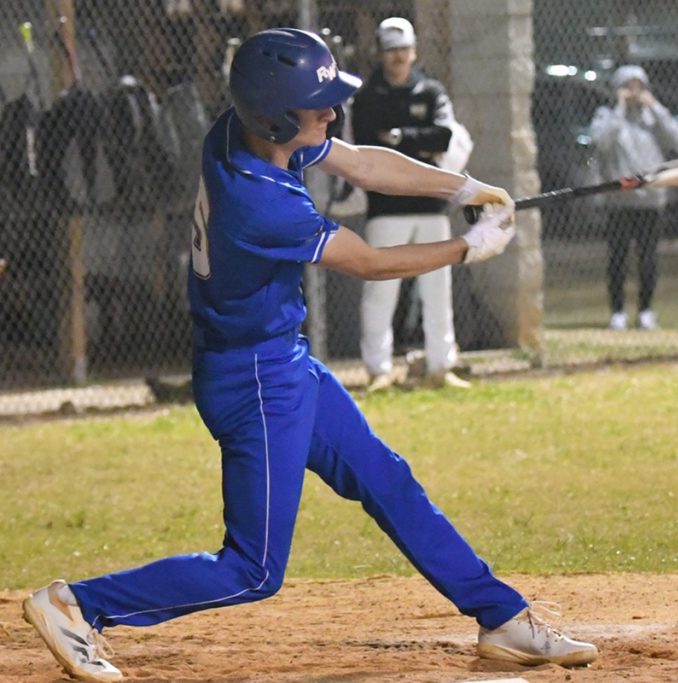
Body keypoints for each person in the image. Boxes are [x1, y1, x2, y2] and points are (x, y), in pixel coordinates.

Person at [21, 29, 597, 683]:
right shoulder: (261, 202)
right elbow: (371, 261)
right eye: (316, 104)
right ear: (275, 114)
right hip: (255, 380)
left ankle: (502, 617)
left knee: (386, 478)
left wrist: (464, 188)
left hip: (279, 362)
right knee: (253, 570)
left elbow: (364, 164)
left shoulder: (240, 131)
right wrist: (469, 248)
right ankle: (78, 605)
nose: (330, 112)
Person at [352, 17, 470, 391]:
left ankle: (440, 365)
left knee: (437, 289)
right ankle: (378, 369)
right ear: (380, 54)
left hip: (430, 205)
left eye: (403, 50)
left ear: (414, 51)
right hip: (386, 207)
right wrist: (418, 144)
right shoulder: (367, 96)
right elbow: (369, 145)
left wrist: (399, 137)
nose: (398, 57)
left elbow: (444, 136)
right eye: (391, 51)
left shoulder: (431, 91)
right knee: (380, 290)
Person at [590, 64, 678, 331]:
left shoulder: (652, 118)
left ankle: (645, 311)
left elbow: (677, 139)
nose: (633, 92)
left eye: (638, 86)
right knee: (618, 257)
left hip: (650, 200)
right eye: (627, 86)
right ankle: (617, 311)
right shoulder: (607, 116)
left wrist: (655, 107)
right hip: (619, 200)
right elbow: (601, 142)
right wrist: (620, 109)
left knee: (648, 257)